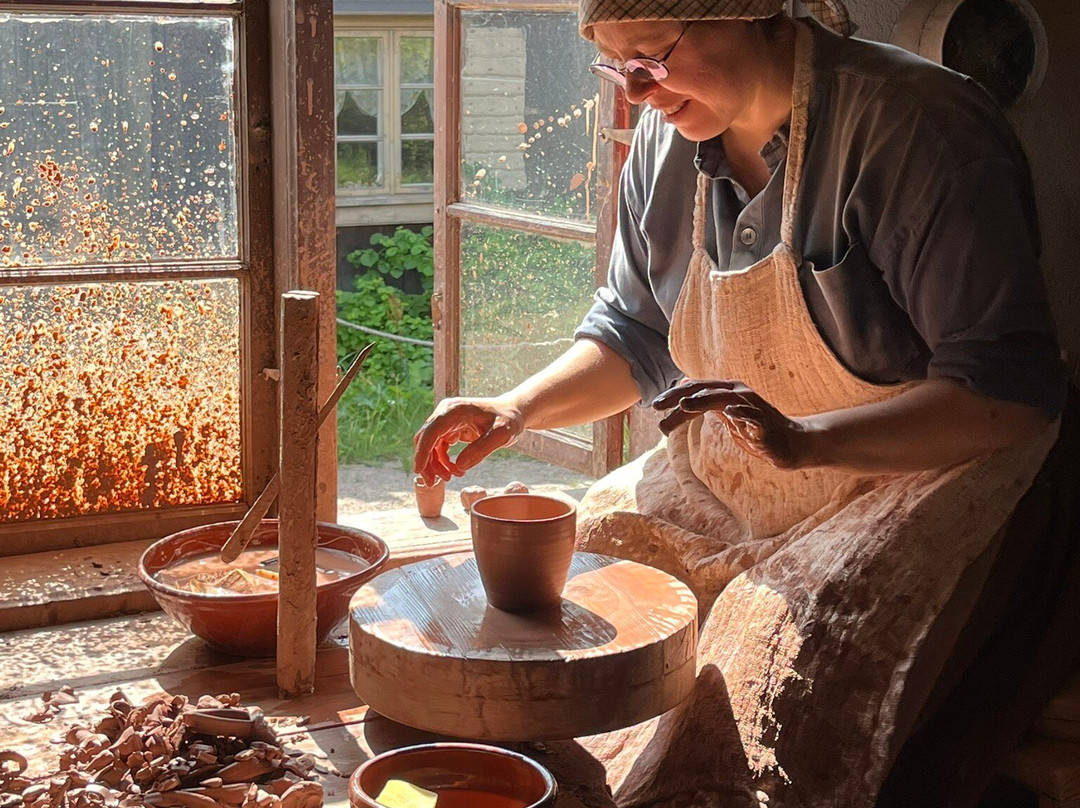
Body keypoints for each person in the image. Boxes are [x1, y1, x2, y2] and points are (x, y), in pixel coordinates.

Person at [414, 1, 1069, 805]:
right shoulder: (669, 136)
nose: (635, 95)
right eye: (616, 68)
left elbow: (1009, 394)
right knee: (585, 586)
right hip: (751, 458)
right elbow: (636, 336)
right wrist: (514, 409)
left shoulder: (917, 129)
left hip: (916, 473)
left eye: (650, 57)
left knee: (767, 668)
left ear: (751, 12)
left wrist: (808, 441)